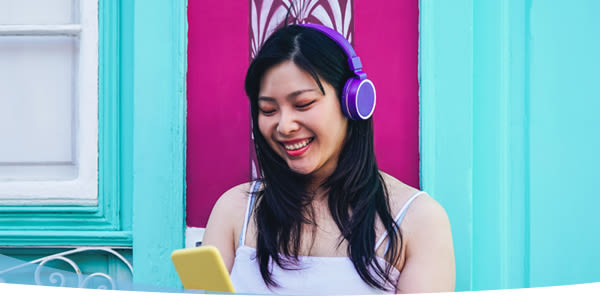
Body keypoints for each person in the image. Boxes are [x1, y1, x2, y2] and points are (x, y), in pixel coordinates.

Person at [202, 23, 455, 295]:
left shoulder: (419, 220)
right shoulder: (233, 211)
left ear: (353, 103)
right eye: (268, 109)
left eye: (303, 104)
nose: (284, 126)